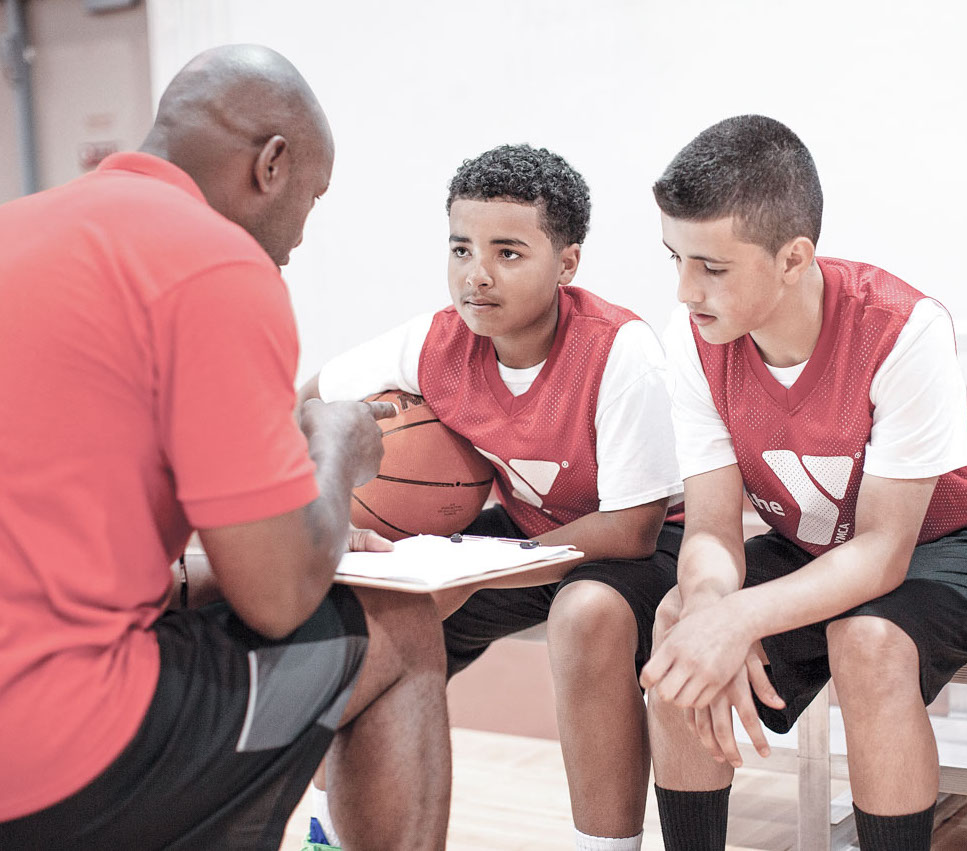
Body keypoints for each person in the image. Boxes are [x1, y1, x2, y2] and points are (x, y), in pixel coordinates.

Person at [0, 44, 450, 850]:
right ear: (271, 165)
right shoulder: (217, 264)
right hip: (50, 754)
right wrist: (337, 444)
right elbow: (275, 597)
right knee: (399, 623)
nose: (302, 238)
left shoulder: (21, 225)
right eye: (312, 200)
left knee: (197, 605)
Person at [299, 144, 684, 851]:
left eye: (508, 252)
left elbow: (632, 528)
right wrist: (332, 514)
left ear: (565, 264)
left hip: (650, 541)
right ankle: (330, 832)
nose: (475, 274)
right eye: (460, 248)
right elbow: (305, 407)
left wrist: (482, 559)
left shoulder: (620, 350)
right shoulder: (434, 341)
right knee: (373, 620)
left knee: (586, 611)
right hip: (528, 530)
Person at [640, 114, 967, 851]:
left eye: (712, 266)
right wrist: (708, 606)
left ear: (793, 257)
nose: (684, 290)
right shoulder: (695, 336)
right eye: (675, 258)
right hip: (817, 543)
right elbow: (708, 527)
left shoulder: (902, 328)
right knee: (677, 624)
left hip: (946, 540)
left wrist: (739, 619)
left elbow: (884, 553)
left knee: (868, 640)